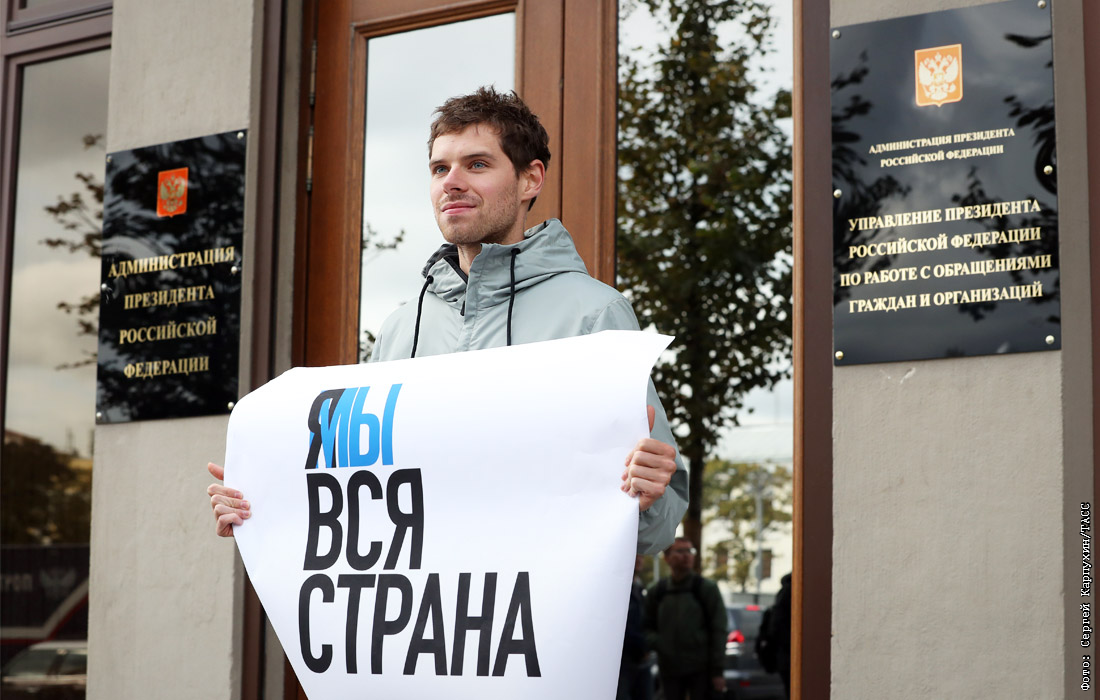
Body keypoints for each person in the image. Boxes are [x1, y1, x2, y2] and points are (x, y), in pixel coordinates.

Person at [207, 86, 688, 554]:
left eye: (477, 164)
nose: (451, 182)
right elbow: (361, 484)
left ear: (530, 179)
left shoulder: (595, 314)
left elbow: (658, 528)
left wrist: (648, 498)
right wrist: (264, 502)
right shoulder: (400, 329)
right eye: (440, 168)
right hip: (422, 606)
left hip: (533, 604)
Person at [644, 537, 727, 700]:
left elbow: (719, 630)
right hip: (669, 669)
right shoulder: (657, 591)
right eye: (680, 551)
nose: (687, 555)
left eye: (690, 551)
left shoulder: (706, 588)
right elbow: (646, 626)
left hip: (700, 669)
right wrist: (660, 643)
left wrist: (717, 671)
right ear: (667, 558)